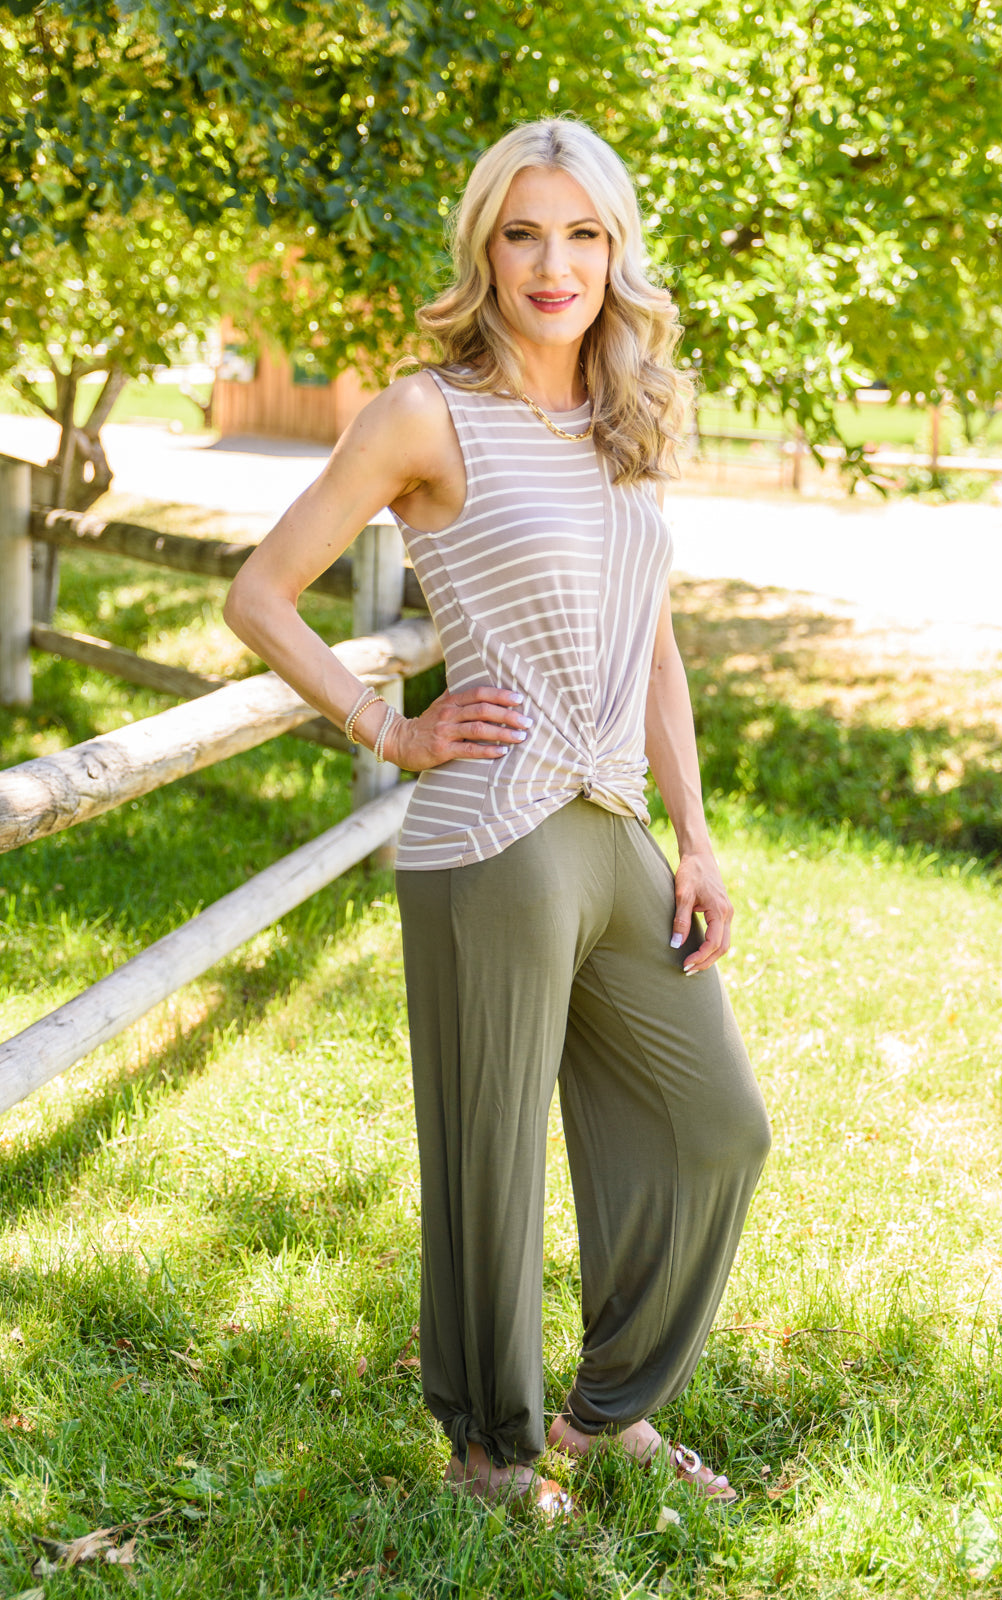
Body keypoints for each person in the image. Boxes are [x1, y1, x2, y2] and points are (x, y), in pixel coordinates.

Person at [223, 116, 771, 1517]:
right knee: (492, 1161)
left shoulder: (634, 407)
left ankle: (607, 1416)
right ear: (485, 246)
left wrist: (694, 836)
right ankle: (488, 1453)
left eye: (583, 233)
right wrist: (386, 726)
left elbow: (653, 641)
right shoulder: (427, 413)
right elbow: (261, 592)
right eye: (524, 232)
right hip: (490, 835)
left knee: (718, 1127)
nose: (553, 263)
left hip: (614, 831)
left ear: (615, 250)